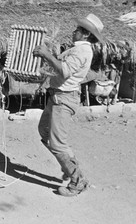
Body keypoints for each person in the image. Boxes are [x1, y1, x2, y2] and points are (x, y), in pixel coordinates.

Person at [33, 13, 104, 197]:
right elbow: (62, 69)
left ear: (86, 34)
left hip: (64, 99)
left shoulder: (82, 51)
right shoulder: (77, 50)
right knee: (44, 131)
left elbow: (64, 71)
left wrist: (46, 54)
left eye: (78, 30)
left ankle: (77, 181)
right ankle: (68, 166)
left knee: (57, 143)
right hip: (58, 97)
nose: (74, 32)